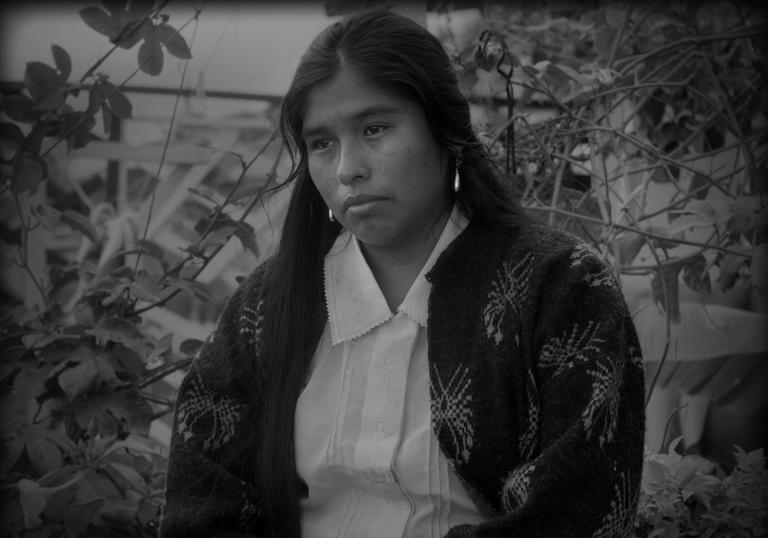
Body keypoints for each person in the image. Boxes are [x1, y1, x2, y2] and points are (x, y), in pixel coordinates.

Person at [160, 8, 645, 538]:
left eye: (375, 128)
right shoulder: (269, 303)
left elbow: (574, 515)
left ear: (446, 130)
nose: (347, 168)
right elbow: (201, 502)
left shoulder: (560, 287)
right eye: (321, 143)